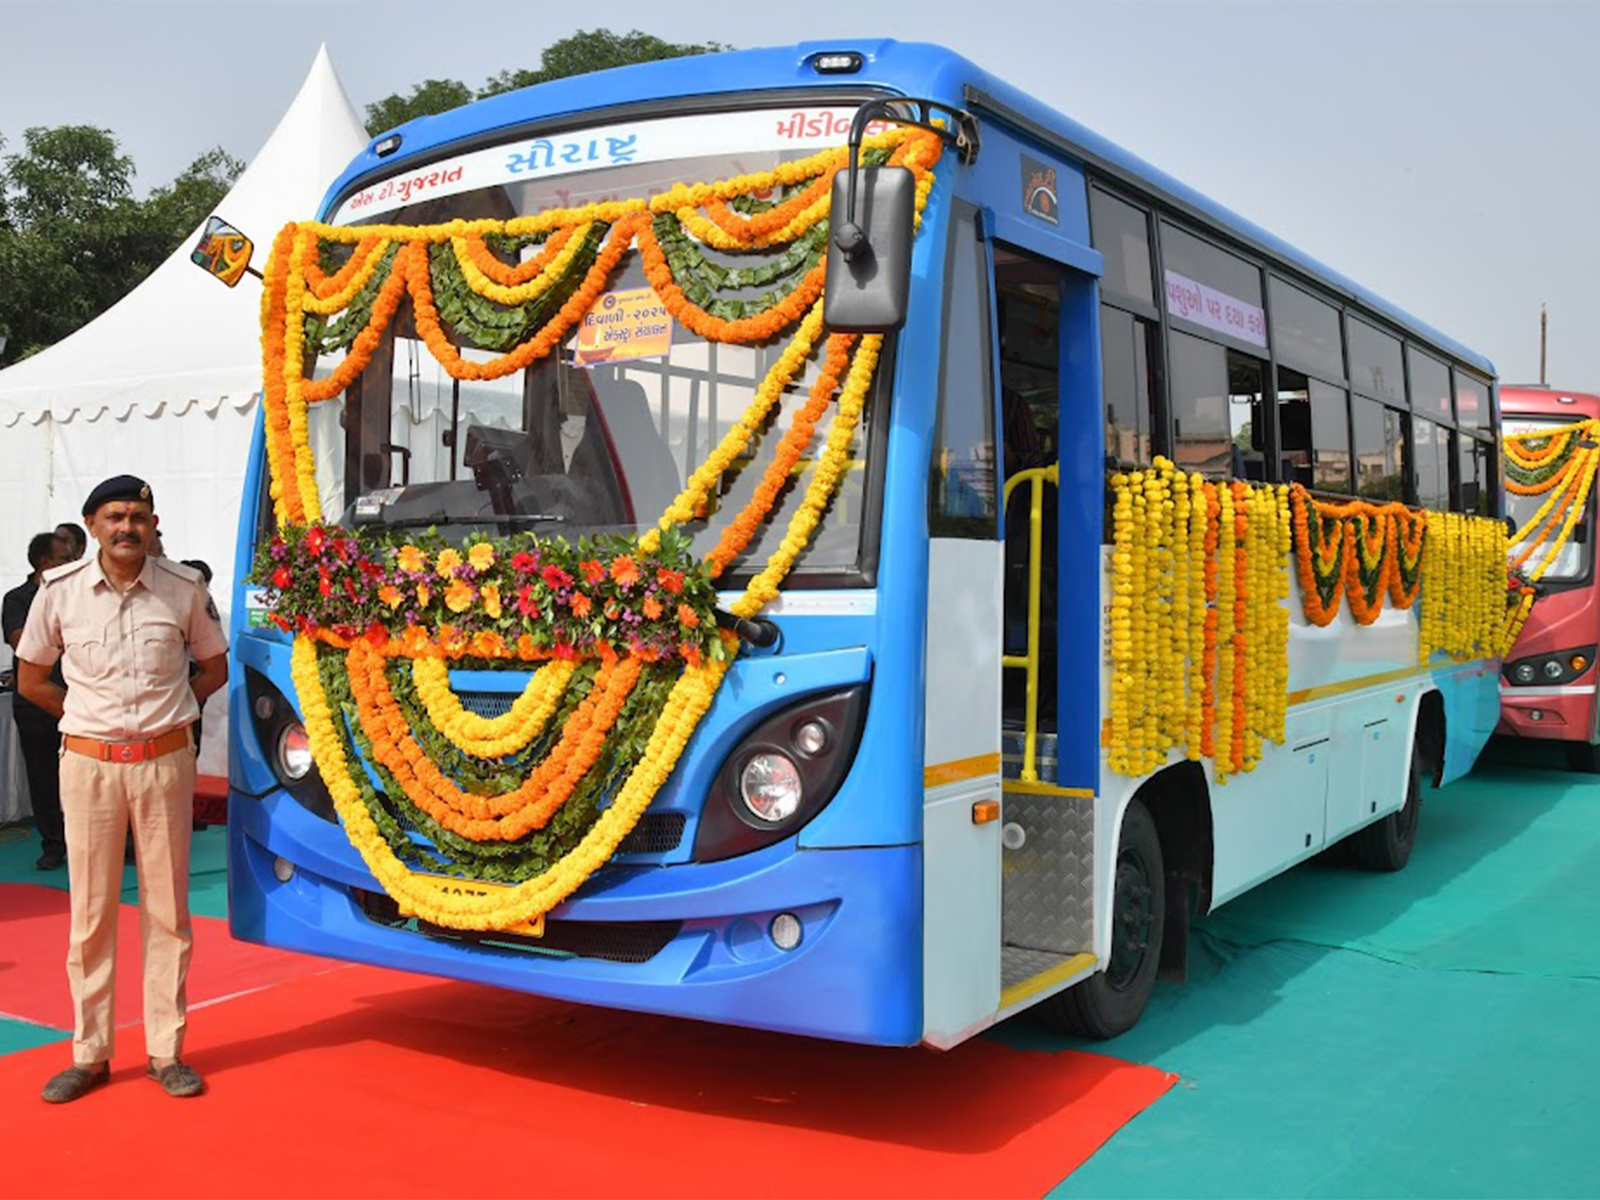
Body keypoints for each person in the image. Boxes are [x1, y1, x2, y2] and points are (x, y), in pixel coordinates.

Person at [17, 476, 229, 1103]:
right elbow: (31, 678)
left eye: (138, 515)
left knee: (168, 911)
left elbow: (212, 666)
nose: (127, 527)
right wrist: (86, 721)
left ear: (153, 522)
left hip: (164, 762)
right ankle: (90, 1054)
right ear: (92, 525)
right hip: (88, 766)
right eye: (115, 515)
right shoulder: (58, 593)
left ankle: (166, 1051)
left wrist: (175, 713)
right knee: (89, 915)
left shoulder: (184, 589)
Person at [3, 532, 72, 868]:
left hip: (79, 700)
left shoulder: (79, 595)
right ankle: (54, 844)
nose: (71, 565)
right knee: (43, 777)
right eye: (63, 559)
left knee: (87, 778)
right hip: (35, 702)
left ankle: (96, 842)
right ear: (44, 563)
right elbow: (21, 643)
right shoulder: (17, 599)